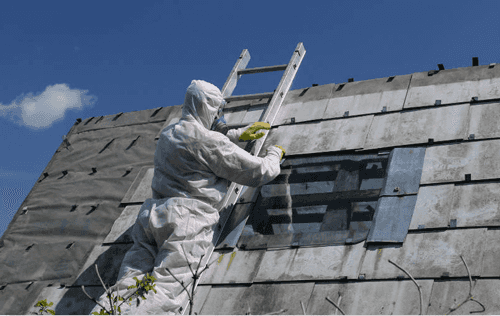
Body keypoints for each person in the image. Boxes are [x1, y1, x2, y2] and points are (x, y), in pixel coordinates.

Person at [91, 80, 285, 315]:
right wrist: (275, 154)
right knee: (167, 290)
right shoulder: (211, 142)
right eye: (217, 111)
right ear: (208, 108)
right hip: (187, 221)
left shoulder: (169, 134)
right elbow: (259, 172)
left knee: (128, 285)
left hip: (153, 217)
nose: (219, 117)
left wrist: (234, 134)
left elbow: (197, 144)